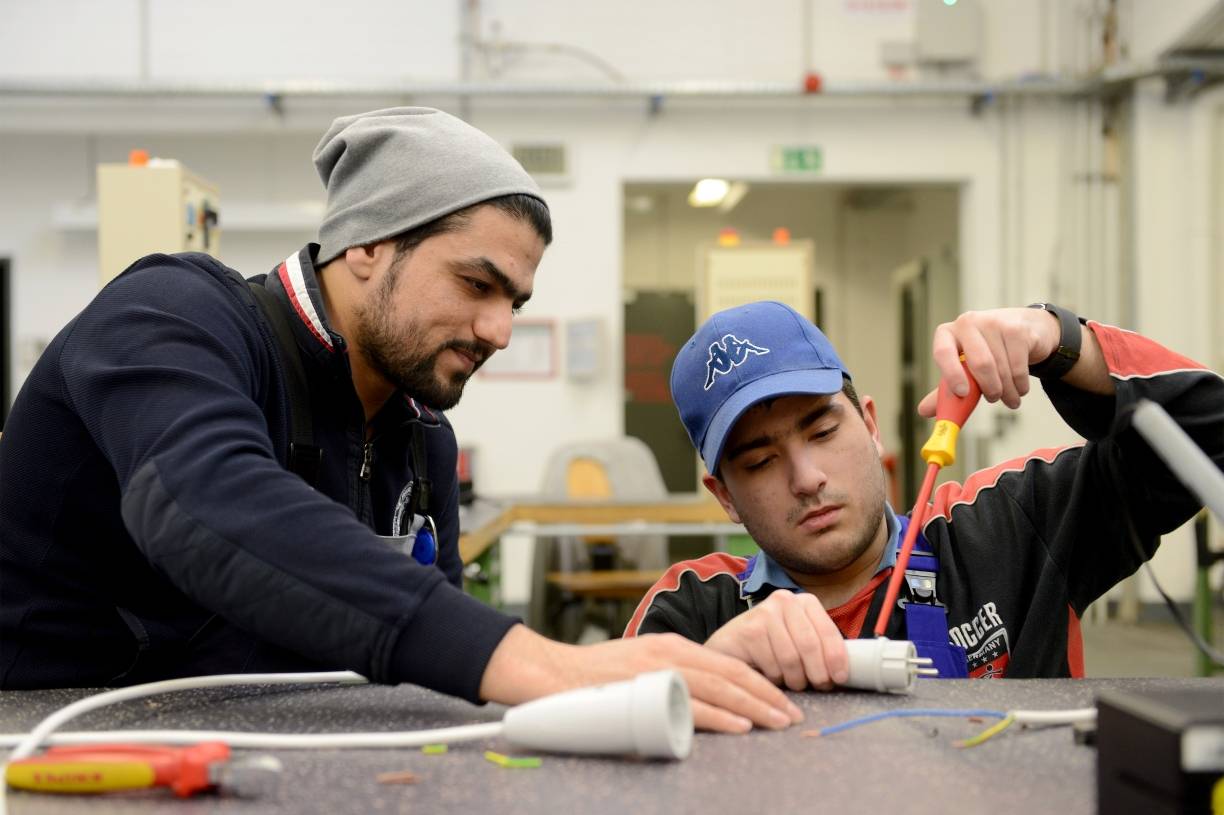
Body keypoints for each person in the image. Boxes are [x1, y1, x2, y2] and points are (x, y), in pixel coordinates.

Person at [0, 108, 801, 734]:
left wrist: (650, 683)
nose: (499, 330)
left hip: (251, 750)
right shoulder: (171, 314)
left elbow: (430, 661)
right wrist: (543, 662)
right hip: (50, 743)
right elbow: (205, 499)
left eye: (514, 302)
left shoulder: (418, 437)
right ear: (366, 246)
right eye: (475, 284)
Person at [625, 299, 1223, 687]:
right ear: (724, 496)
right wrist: (711, 670)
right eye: (759, 461)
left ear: (870, 424)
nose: (806, 478)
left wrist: (1064, 341)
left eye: (824, 430)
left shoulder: (1009, 526)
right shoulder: (694, 611)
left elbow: (1210, 442)